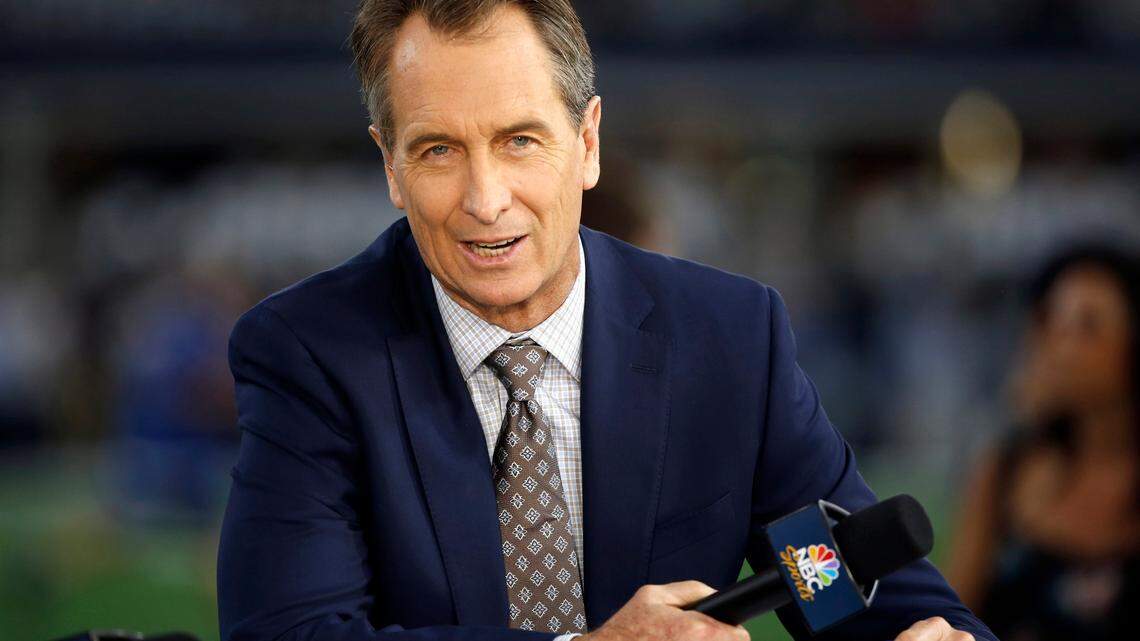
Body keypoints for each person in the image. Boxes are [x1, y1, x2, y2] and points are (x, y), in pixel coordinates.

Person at [217, 2, 993, 640]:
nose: (486, 200)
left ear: (587, 143)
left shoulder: (726, 340)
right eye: (439, 151)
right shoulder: (310, 354)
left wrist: (920, 636)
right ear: (390, 165)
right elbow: (289, 632)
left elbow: (831, 578)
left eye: (519, 141)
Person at [947, 244, 1140, 640]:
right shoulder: (1008, 469)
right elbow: (951, 618)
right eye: (1051, 321)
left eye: (1088, 325)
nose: (1059, 343)